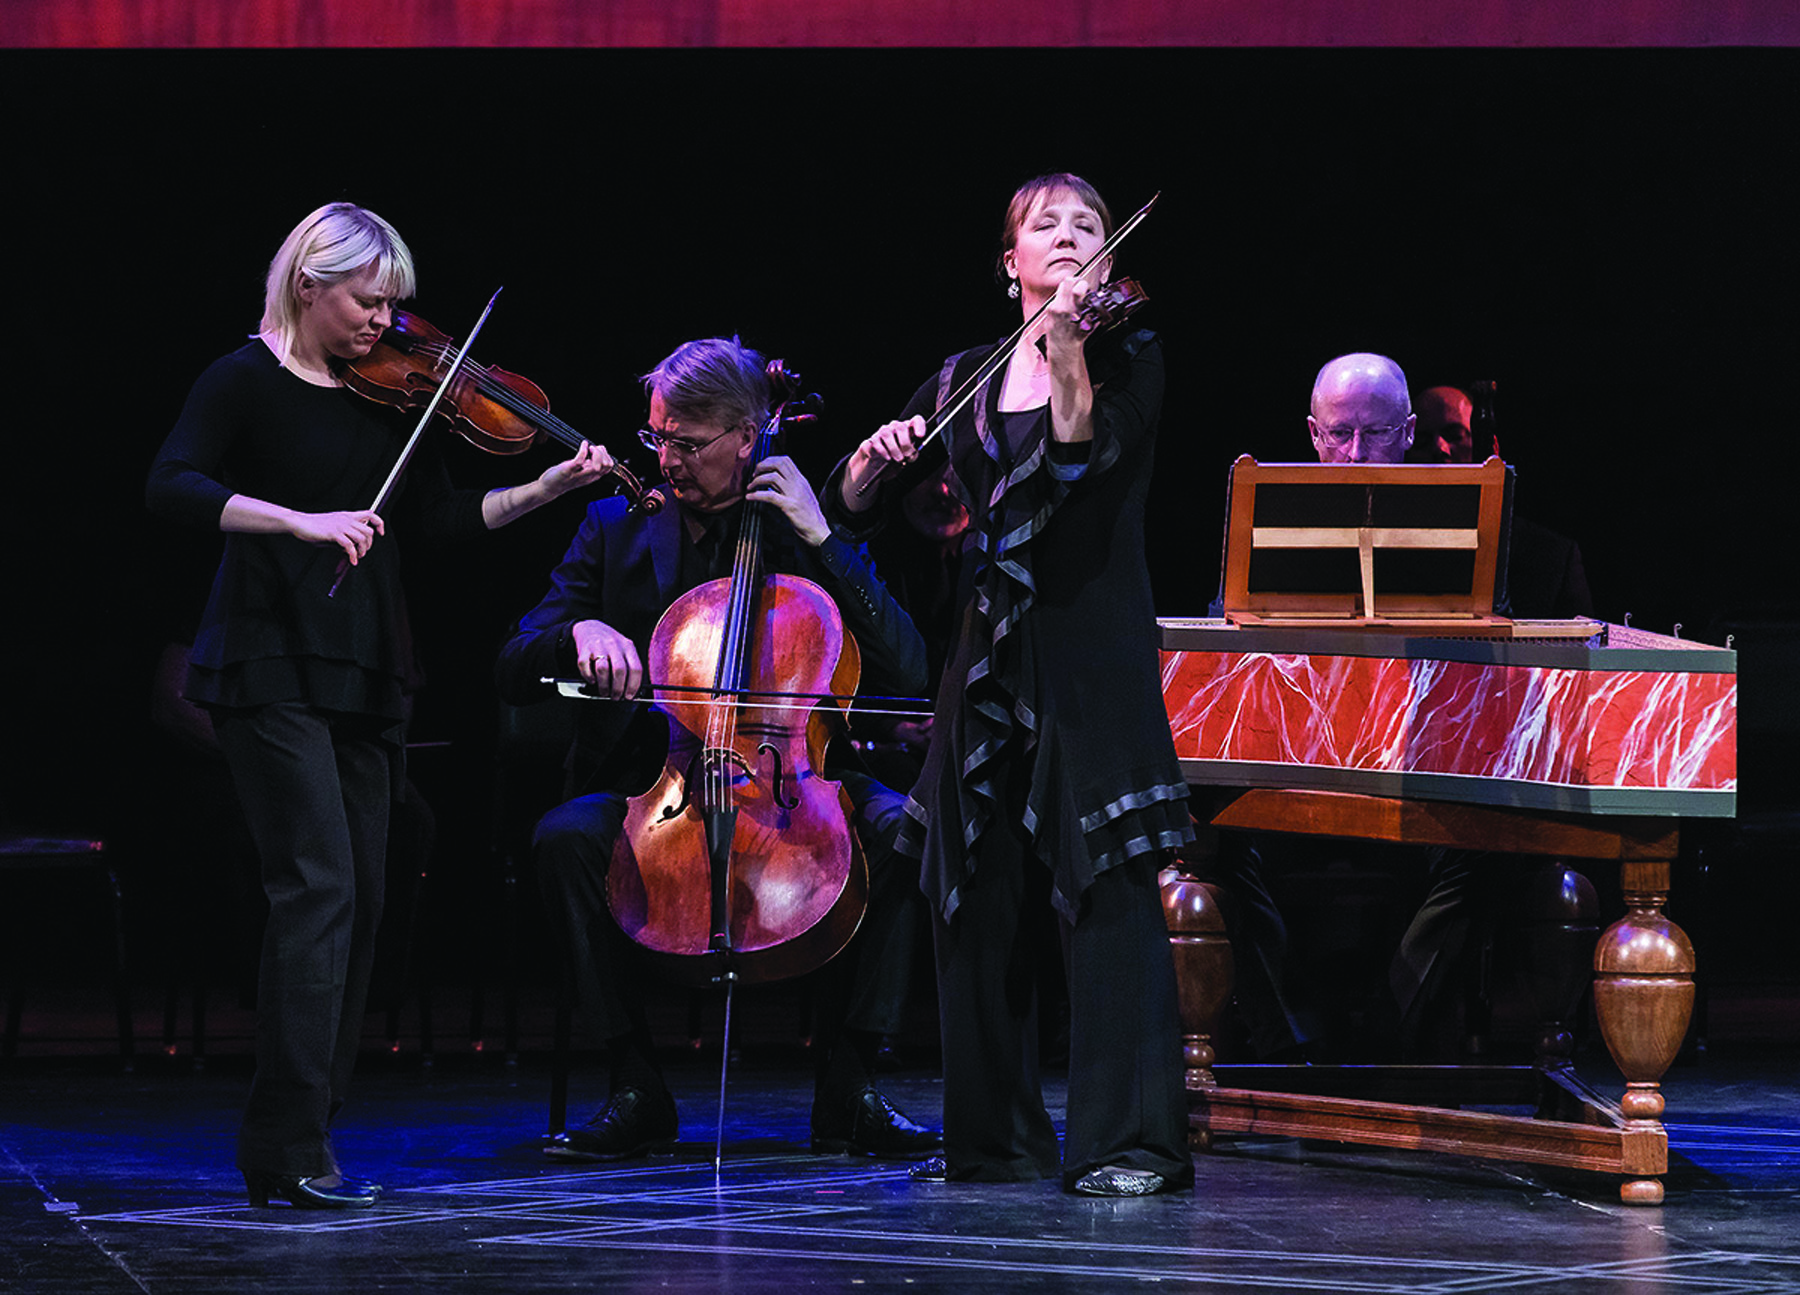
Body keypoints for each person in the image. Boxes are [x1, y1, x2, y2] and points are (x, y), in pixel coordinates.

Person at [146, 202, 617, 1210]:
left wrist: (547, 487)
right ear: (308, 284)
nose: (386, 322)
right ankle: (287, 1143)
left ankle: (309, 1132)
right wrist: (298, 522)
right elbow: (170, 484)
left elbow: (438, 520)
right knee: (316, 889)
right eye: (368, 300)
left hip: (366, 670)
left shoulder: (394, 396)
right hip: (268, 661)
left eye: (395, 304)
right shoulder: (244, 379)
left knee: (362, 898)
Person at [831, 173, 1194, 1197]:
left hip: (1090, 653)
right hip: (987, 656)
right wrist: (869, 462)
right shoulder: (963, 376)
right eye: (1047, 224)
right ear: (1011, 263)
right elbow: (852, 506)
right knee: (972, 885)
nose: (1070, 234)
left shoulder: (1132, 353)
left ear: (1109, 258)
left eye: (1089, 225)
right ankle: (993, 1139)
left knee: (1109, 894)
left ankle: (1130, 1145)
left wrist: (1069, 344)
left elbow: (1081, 458)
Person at [494, 336, 940, 1163]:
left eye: (688, 444)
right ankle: (635, 1084)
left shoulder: (802, 524)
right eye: (657, 436)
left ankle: (850, 1085)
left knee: (905, 830)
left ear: (747, 436)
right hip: (658, 793)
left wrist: (824, 537)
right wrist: (576, 634)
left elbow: (909, 668)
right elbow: (515, 659)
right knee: (563, 839)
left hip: (794, 787)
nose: (666, 460)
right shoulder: (615, 527)